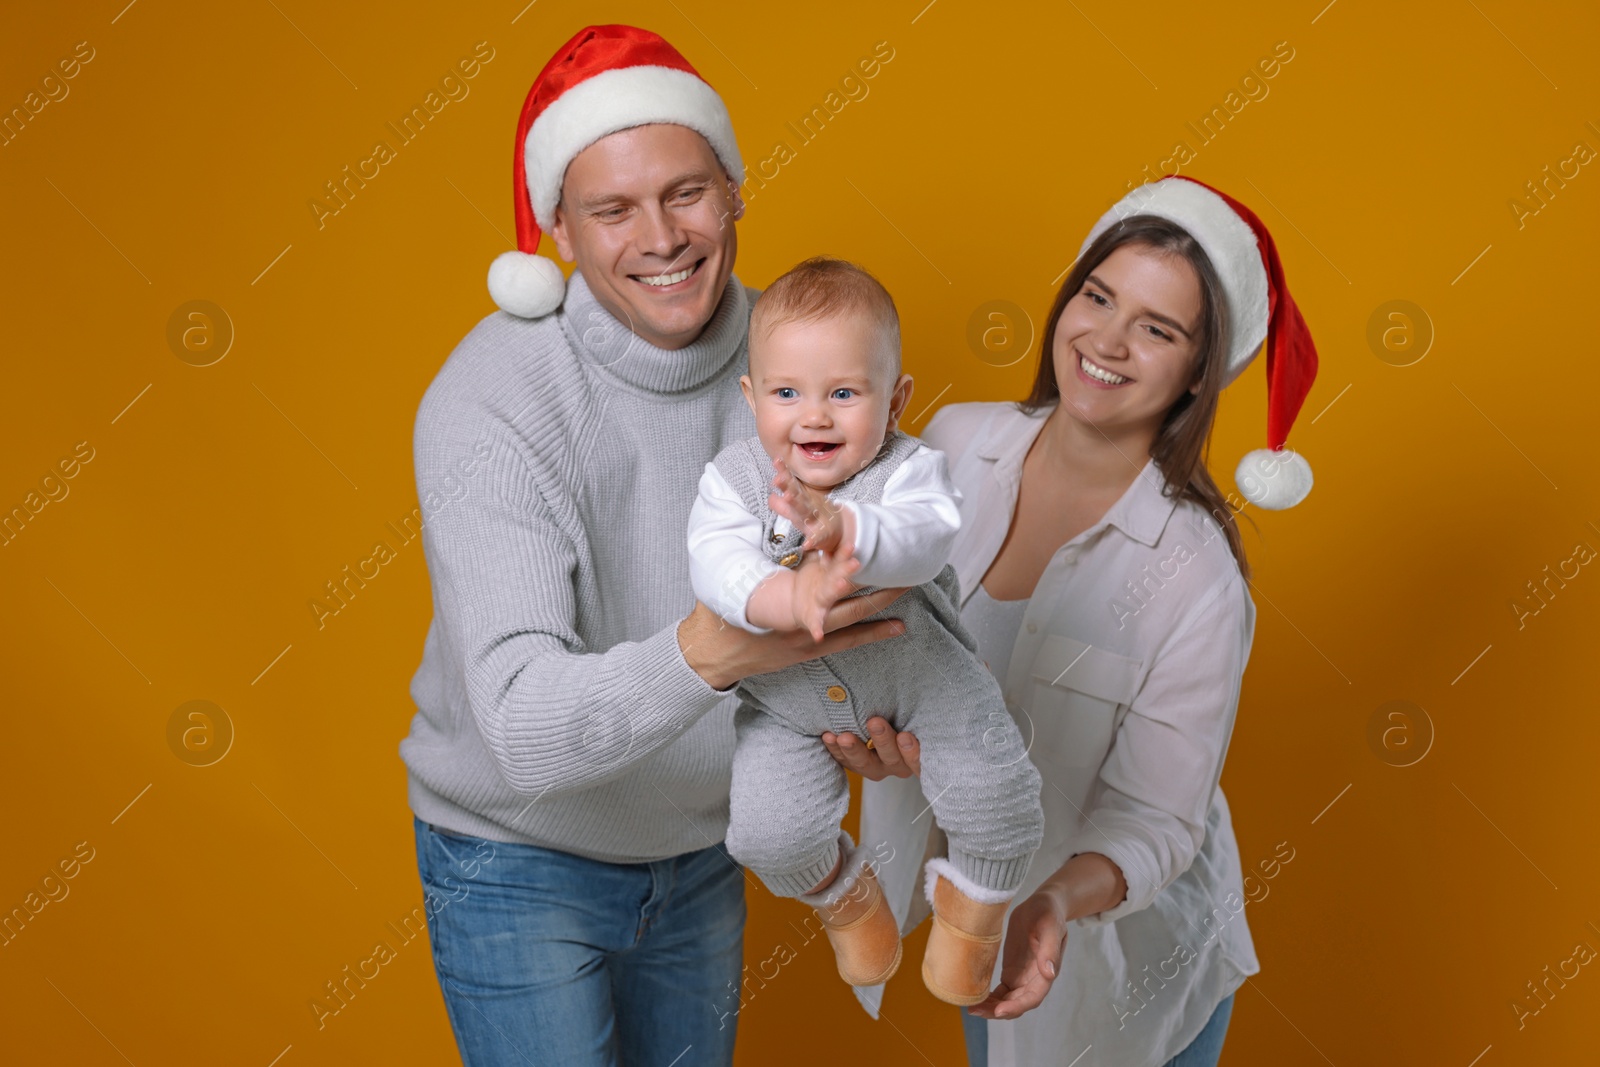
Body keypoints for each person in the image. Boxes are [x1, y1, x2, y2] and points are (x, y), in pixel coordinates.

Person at [398, 26, 914, 1066]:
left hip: (707, 844)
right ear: (559, 230)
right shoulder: (493, 395)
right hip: (515, 855)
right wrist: (714, 652)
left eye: (684, 193)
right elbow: (522, 729)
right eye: (612, 209)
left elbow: (891, 577)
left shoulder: (807, 366)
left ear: (731, 192)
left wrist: (879, 719)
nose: (660, 236)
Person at [846, 175, 1322, 1067]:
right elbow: (885, 643)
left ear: (1196, 373)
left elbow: (1159, 820)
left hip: (1124, 959)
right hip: (985, 912)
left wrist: (1056, 902)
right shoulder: (951, 446)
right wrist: (877, 737)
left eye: (1157, 328)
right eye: (1098, 297)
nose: (1107, 339)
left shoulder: (1198, 572)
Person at [686, 256, 1044, 1003]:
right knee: (765, 832)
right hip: (786, 704)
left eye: (844, 392)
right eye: (787, 393)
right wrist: (780, 597)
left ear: (895, 398)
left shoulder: (912, 471)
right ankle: (845, 896)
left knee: (996, 795)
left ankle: (972, 921)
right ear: (751, 397)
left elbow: (926, 534)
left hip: (922, 675)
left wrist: (846, 526)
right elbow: (714, 560)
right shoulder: (731, 478)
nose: (814, 415)